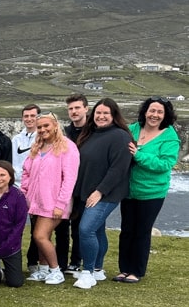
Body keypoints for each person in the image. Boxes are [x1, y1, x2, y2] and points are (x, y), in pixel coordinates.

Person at [116, 97, 180, 283]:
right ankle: (124, 269)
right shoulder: (133, 129)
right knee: (126, 230)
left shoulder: (169, 137)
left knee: (142, 231)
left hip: (152, 192)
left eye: (160, 112)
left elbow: (165, 164)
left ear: (165, 115)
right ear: (145, 111)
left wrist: (139, 155)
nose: (155, 115)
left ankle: (136, 271)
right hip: (129, 190)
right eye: (152, 110)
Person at [72, 98, 133, 289]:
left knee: (86, 230)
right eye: (98, 112)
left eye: (106, 113)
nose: (101, 116)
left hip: (106, 193)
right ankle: (98, 269)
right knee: (97, 230)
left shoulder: (120, 136)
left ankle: (88, 272)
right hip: (87, 190)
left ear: (114, 115)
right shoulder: (90, 134)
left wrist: (99, 192)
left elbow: (118, 169)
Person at [21, 112, 79, 285]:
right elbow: (26, 171)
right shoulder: (37, 147)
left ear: (55, 126)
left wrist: (61, 203)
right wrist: (25, 193)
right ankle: (44, 269)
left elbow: (70, 178)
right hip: (35, 201)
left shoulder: (67, 147)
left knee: (40, 235)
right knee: (41, 235)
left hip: (55, 202)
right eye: (39, 127)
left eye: (46, 126)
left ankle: (56, 270)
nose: (43, 130)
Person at [55, 93, 89, 274]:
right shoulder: (65, 133)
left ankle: (76, 261)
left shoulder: (93, 132)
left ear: (86, 109)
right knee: (61, 226)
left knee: (80, 227)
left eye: (77, 108)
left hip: (85, 186)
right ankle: (60, 263)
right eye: (70, 109)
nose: (74, 111)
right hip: (64, 187)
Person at [11, 104, 40, 185]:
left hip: (35, 186)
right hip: (16, 186)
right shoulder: (16, 139)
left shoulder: (43, 139)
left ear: (38, 117)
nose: (29, 119)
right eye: (26, 116)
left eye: (32, 116)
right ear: (22, 118)